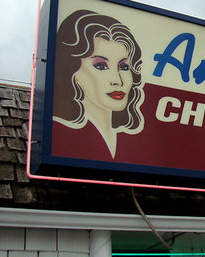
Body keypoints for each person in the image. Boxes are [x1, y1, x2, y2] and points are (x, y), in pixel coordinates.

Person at [52, 10, 144, 160]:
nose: (118, 80)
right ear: (74, 72)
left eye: (124, 67)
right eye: (101, 66)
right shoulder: (59, 136)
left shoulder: (133, 144)